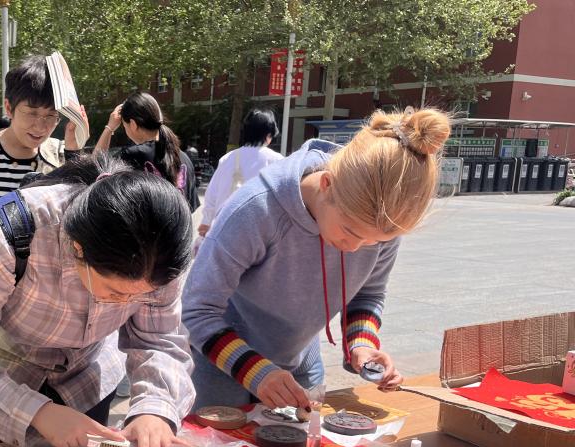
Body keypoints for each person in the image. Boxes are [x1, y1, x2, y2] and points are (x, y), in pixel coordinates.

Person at [0, 155, 195, 447]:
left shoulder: (162, 254)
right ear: (79, 249)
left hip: (87, 382)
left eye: (142, 295)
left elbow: (159, 339)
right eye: (115, 293)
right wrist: (37, 412)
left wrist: (155, 408)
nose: (128, 304)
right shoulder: (10, 232)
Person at [182, 108, 451, 410]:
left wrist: (362, 345)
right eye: (349, 231)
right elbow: (197, 310)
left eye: (374, 242)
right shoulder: (256, 209)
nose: (355, 248)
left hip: (300, 359)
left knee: (307, 438)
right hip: (220, 360)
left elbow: (367, 294)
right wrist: (257, 372)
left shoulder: (383, 223)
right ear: (327, 184)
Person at [0, 54, 86, 208]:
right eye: (32, 113)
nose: (40, 127)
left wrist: (74, 152)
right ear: (9, 108)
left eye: (51, 115)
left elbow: (78, 212)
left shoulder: (61, 156)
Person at [93, 91, 199, 211]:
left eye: (125, 126)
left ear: (133, 124)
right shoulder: (184, 159)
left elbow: (95, 166)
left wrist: (109, 128)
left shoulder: (132, 156)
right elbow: (191, 209)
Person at [198, 108, 282, 238]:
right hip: (259, 234)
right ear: (268, 135)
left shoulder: (227, 158)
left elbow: (211, 195)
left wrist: (206, 221)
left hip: (223, 231)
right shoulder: (277, 161)